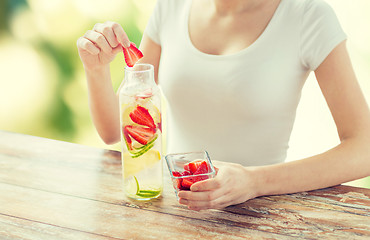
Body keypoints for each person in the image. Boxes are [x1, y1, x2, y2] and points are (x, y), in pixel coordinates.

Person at [77, 0, 370, 211]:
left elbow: (364, 149)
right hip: (175, 211)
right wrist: (96, 69)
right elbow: (115, 131)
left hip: (262, 216)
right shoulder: (170, 7)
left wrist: (254, 181)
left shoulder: (307, 15)